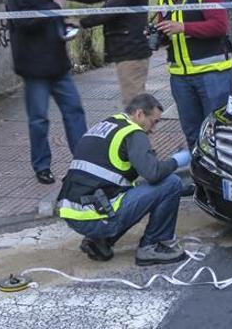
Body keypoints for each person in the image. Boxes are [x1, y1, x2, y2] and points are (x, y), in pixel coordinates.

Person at [57, 93, 191, 265]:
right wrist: (176, 160)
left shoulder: (108, 124)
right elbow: (153, 174)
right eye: (154, 121)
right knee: (171, 183)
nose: (153, 129)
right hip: (95, 217)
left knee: (128, 192)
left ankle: (99, 241)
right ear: (139, 114)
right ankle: (153, 246)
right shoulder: (133, 133)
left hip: (75, 212)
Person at [6, 0, 88, 185]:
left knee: (75, 111)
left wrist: (67, 27)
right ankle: (42, 166)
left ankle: (84, 162)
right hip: (34, 69)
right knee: (39, 120)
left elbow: (57, 18)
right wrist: (55, 9)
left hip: (58, 65)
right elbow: (23, 23)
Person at [149, 0, 232, 151]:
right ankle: (200, 176)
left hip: (213, 74)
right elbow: (169, 32)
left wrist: (183, 27)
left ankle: (221, 177)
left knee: (216, 132)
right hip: (180, 78)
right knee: (192, 133)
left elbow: (220, 26)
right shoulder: (165, 0)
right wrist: (158, 36)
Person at [62, 0, 151, 105]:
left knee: (135, 105)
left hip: (131, 51)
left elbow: (110, 10)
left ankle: (139, 131)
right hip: (126, 49)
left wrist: (80, 23)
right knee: (134, 103)